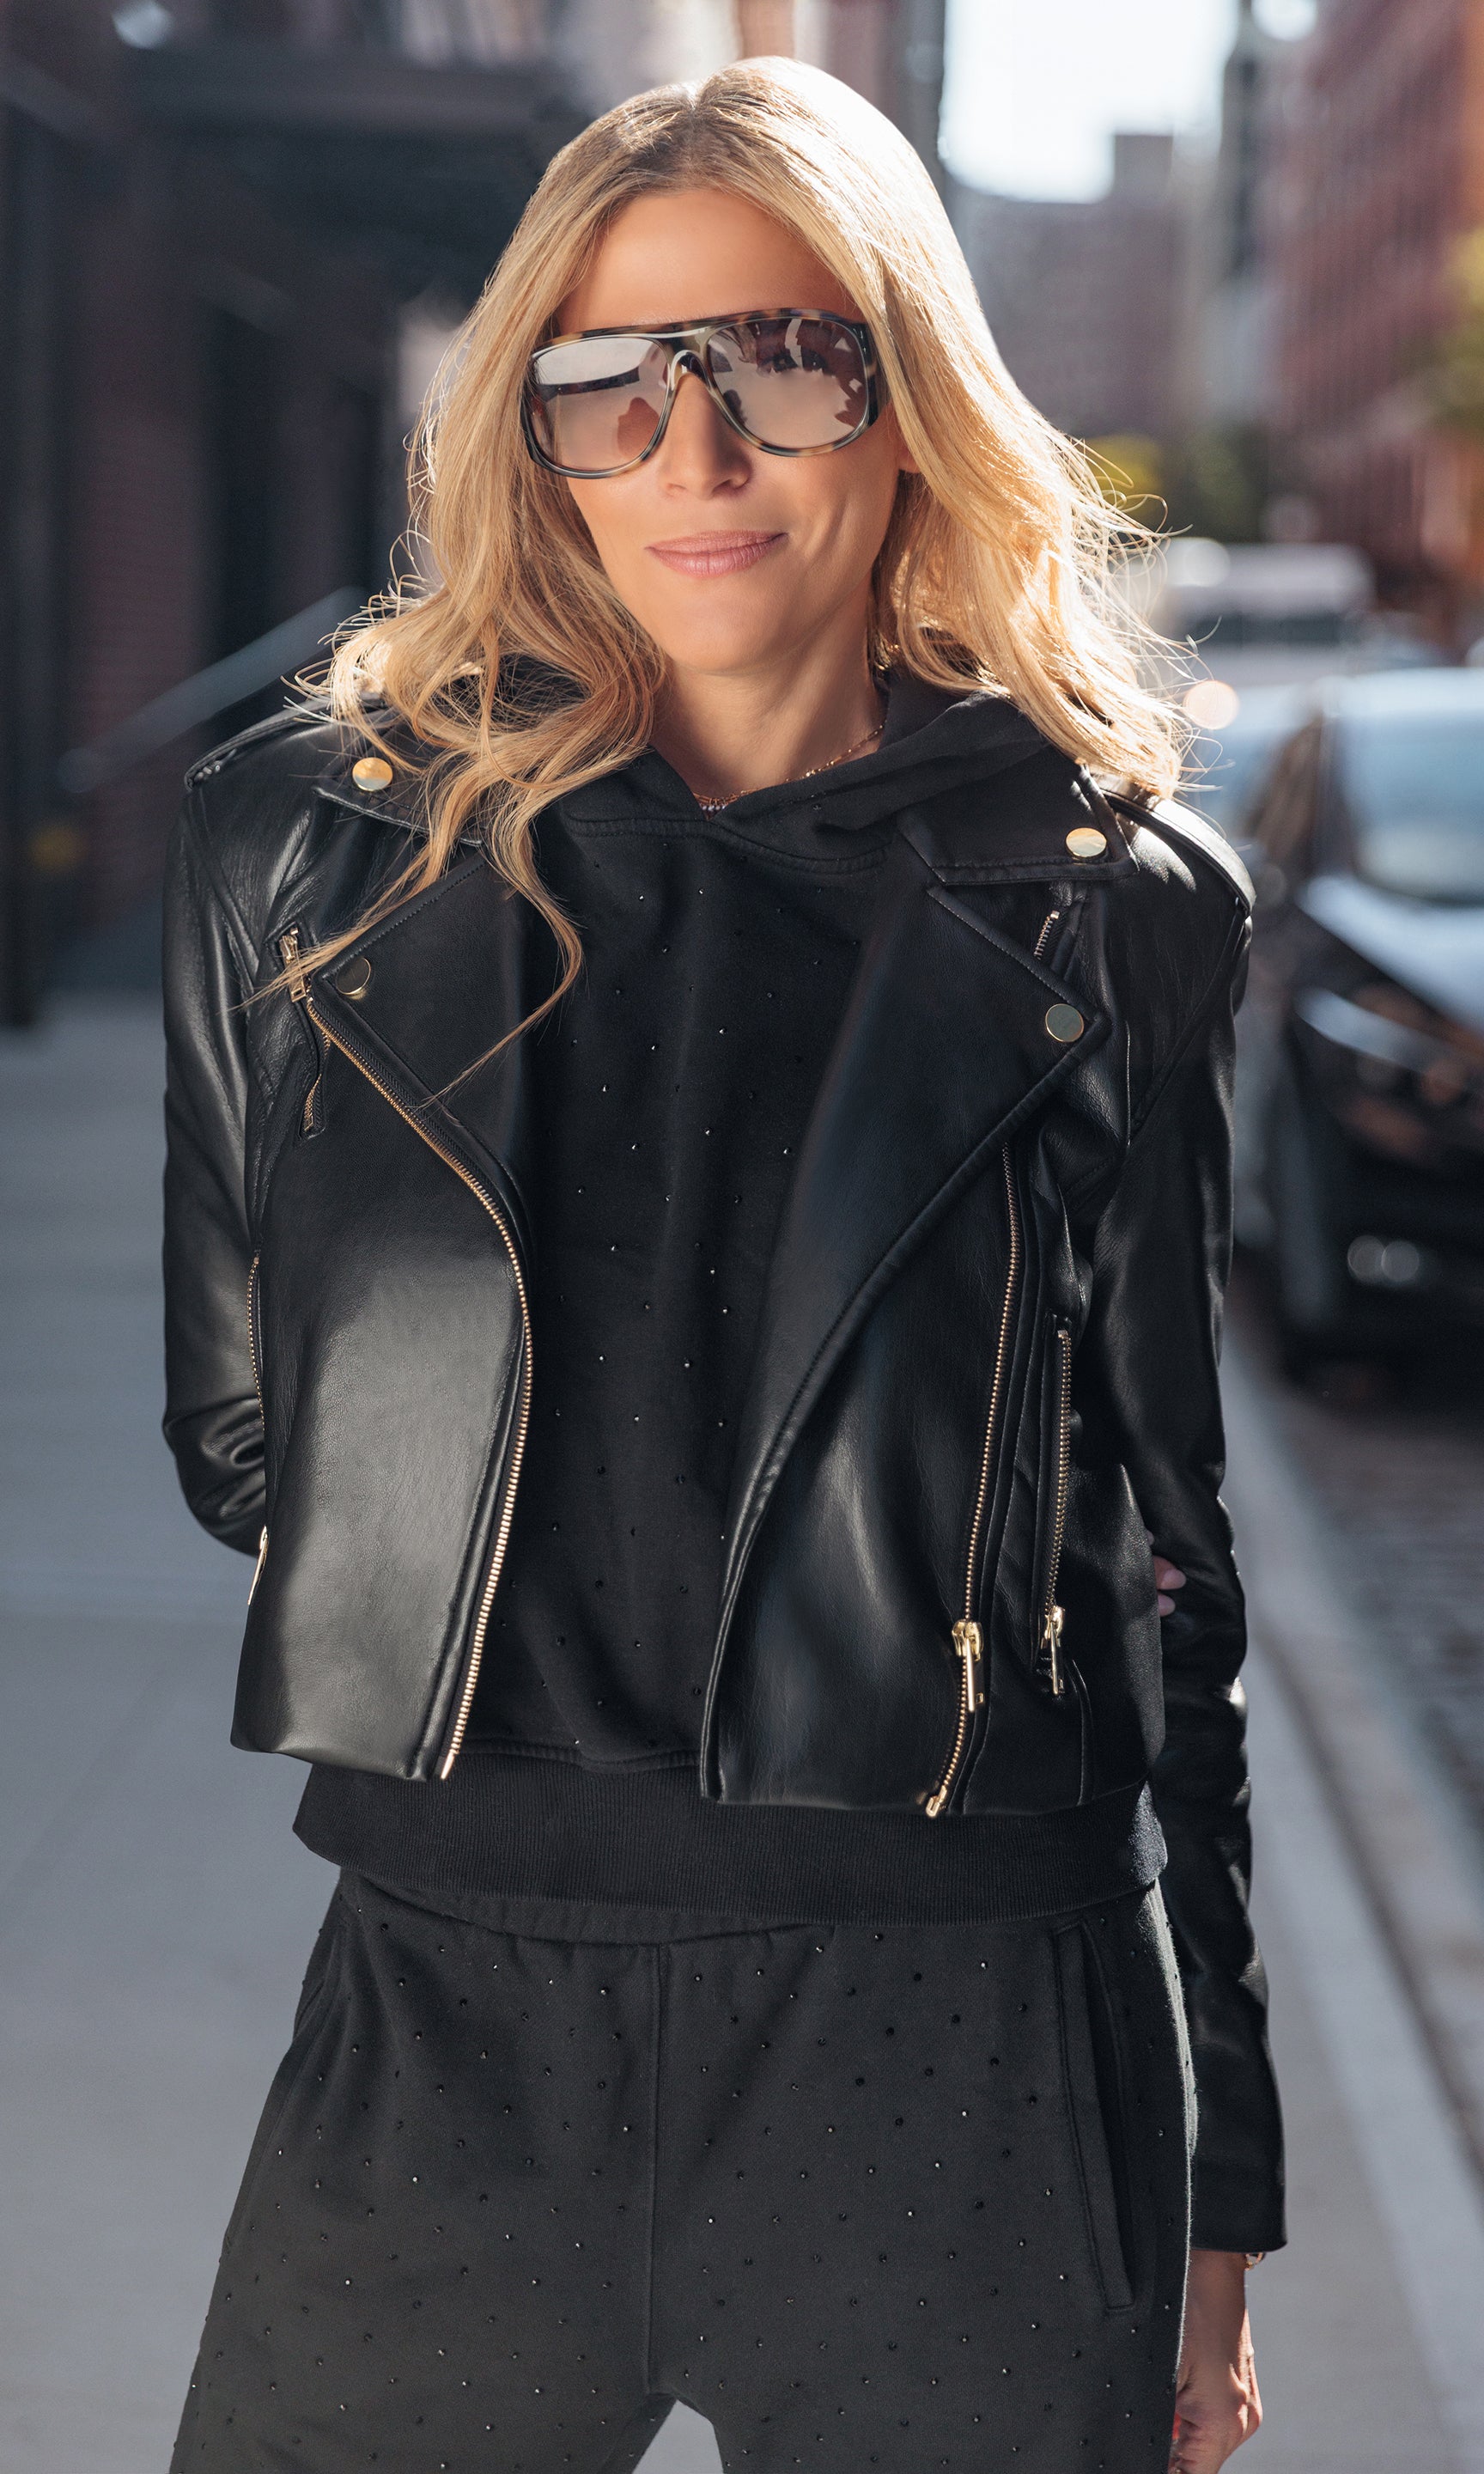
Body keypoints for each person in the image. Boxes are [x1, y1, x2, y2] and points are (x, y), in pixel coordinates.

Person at [161, 58, 1281, 2474]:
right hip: (448, 2021)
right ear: (530, 434)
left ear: (903, 400)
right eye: (607, 383)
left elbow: (1176, 1563)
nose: (698, 454)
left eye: (778, 359)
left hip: (964, 2039)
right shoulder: (307, 856)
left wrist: (1228, 2177)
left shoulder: (1106, 910)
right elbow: (252, 1442)